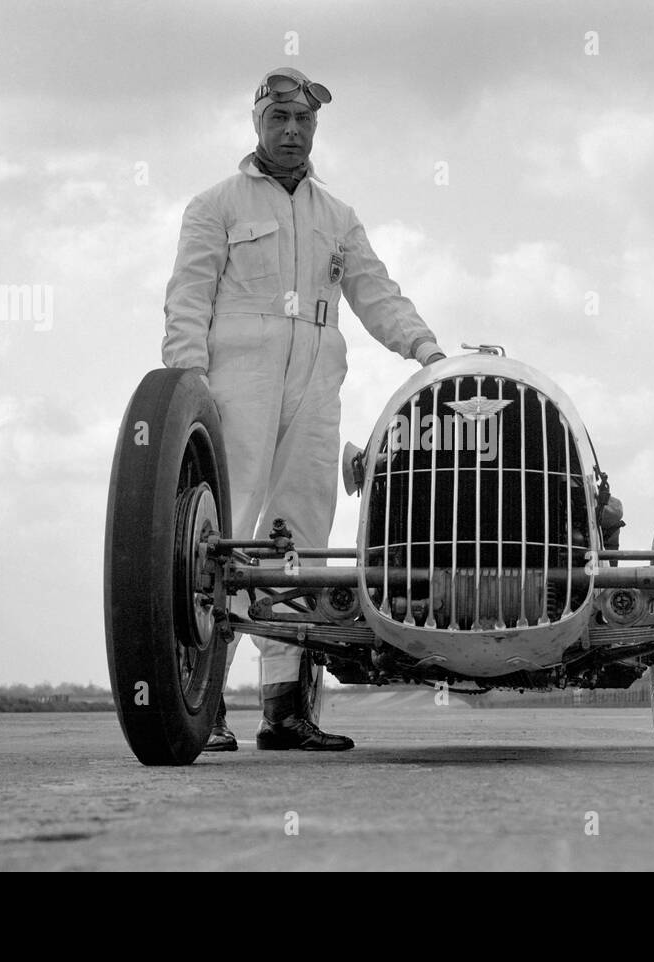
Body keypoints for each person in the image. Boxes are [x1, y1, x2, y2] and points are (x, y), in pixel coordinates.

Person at [162, 67, 446, 752]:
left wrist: (429, 352)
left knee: (301, 544)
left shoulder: (337, 217)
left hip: (317, 388)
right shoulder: (216, 206)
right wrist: (185, 395)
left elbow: (377, 293)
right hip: (238, 386)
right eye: (279, 119)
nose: (292, 132)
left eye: (304, 122)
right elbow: (187, 300)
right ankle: (206, 704)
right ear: (256, 122)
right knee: (221, 543)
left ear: (315, 129)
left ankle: (284, 710)